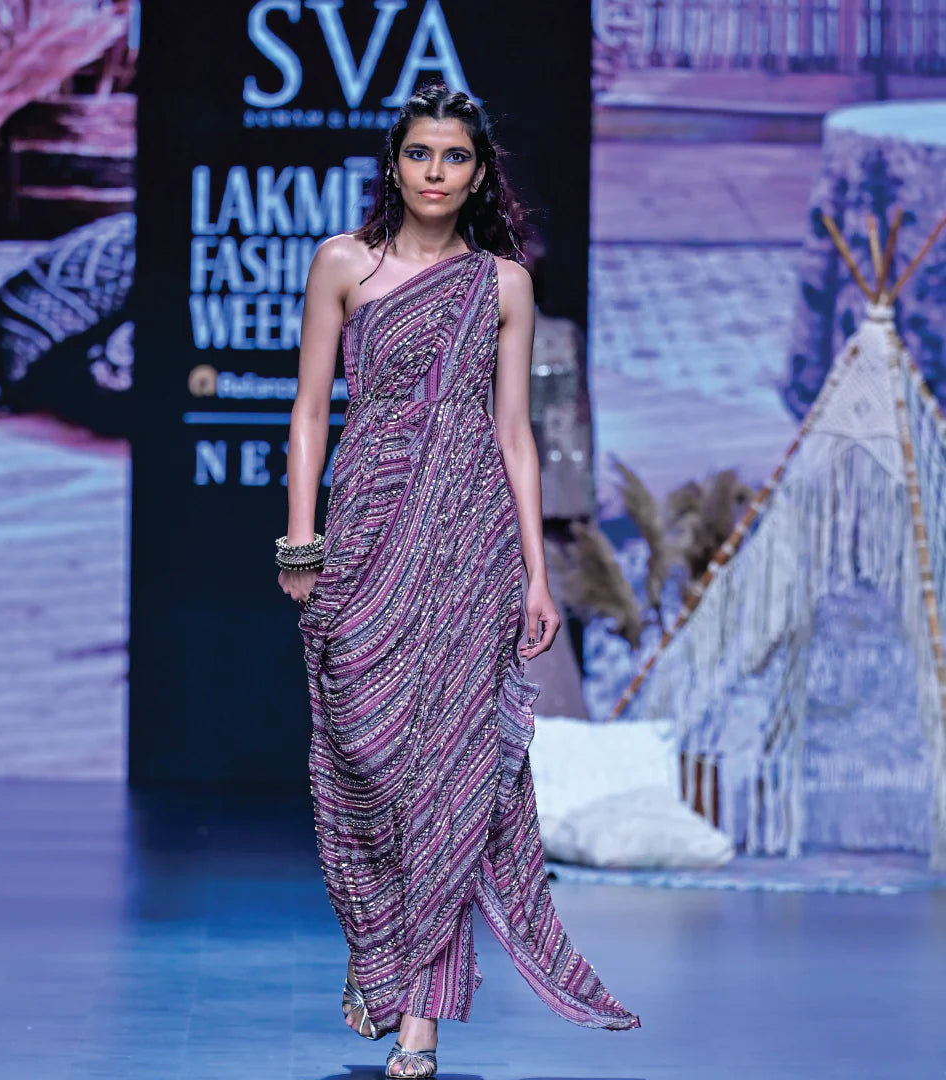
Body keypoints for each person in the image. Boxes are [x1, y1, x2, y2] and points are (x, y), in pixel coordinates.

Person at [276, 83, 641, 1079]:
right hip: (367, 532)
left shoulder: (503, 284)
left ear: (480, 175)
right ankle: (379, 951)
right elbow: (309, 409)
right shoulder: (343, 265)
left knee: (447, 772)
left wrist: (537, 575)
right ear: (394, 165)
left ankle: (421, 1013)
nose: (435, 172)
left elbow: (515, 434)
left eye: (456, 157)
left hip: (470, 542)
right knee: (363, 755)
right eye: (420, 153)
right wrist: (302, 542)